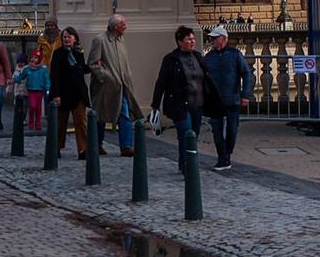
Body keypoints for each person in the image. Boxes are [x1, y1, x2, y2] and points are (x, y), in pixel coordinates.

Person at [150, 26, 207, 174]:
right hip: (179, 104)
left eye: (193, 39)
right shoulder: (171, 59)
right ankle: (187, 165)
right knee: (185, 133)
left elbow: (206, 79)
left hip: (197, 103)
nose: (192, 42)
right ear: (180, 41)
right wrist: (155, 105)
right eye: (189, 39)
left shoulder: (198, 56)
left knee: (194, 134)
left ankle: (189, 161)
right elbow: (161, 82)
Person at [87, 15, 142, 157]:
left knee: (125, 114)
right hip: (105, 87)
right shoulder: (100, 40)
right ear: (115, 26)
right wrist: (105, 77)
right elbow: (93, 63)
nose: (126, 26)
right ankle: (97, 144)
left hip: (122, 85)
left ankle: (126, 146)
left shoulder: (120, 40)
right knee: (101, 115)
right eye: (123, 24)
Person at [200, 25, 250, 170]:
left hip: (232, 98)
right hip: (215, 100)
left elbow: (246, 74)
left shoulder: (235, 54)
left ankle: (226, 154)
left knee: (232, 129)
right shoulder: (209, 57)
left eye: (215, 38)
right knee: (216, 130)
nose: (212, 41)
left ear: (224, 39)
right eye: (211, 39)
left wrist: (245, 95)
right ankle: (223, 157)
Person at [49, 27, 92, 158]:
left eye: (69, 37)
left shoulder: (78, 53)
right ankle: (56, 147)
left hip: (78, 93)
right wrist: (56, 94)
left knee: (80, 122)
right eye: (65, 37)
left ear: (75, 39)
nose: (67, 39)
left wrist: (93, 66)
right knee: (61, 123)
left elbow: (81, 69)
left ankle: (83, 149)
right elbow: (54, 75)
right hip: (63, 93)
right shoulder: (58, 54)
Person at [14, 48, 50, 131]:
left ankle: (38, 124)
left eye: (36, 57)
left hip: (40, 91)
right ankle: (31, 123)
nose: (33, 59)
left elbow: (47, 80)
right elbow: (21, 77)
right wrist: (14, 79)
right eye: (32, 57)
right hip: (31, 91)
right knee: (32, 106)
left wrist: (48, 88)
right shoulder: (27, 69)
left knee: (38, 109)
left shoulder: (43, 69)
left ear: (39, 59)